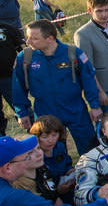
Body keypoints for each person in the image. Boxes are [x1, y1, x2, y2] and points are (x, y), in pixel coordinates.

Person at [12, 20, 101, 156]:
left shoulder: (73, 53)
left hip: (75, 110)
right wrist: (21, 112)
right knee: (51, 153)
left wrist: (94, 105)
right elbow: (18, 87)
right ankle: (60, 175)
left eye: (34, 38)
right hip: (45, 111)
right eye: (28, 37)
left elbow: (89, 80)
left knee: (90, 148)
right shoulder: (25, 58)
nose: (29, 41)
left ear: (50, 38)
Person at [28, 115, 75, 202]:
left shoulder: (59, 147)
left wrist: (71, 171)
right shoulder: (34, 157)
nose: (51, 140)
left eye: (54, 135)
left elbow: (66, 163)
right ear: (37, 137)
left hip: (66, 187)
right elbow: (36, 186)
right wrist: (57, 191)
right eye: (45, 137)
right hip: (46, 197)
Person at [0, 20, 24, 135]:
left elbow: (23, 50)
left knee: (22, 109)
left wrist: (21, 63)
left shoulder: (8, 28)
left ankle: (38, 137)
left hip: (9, 78)